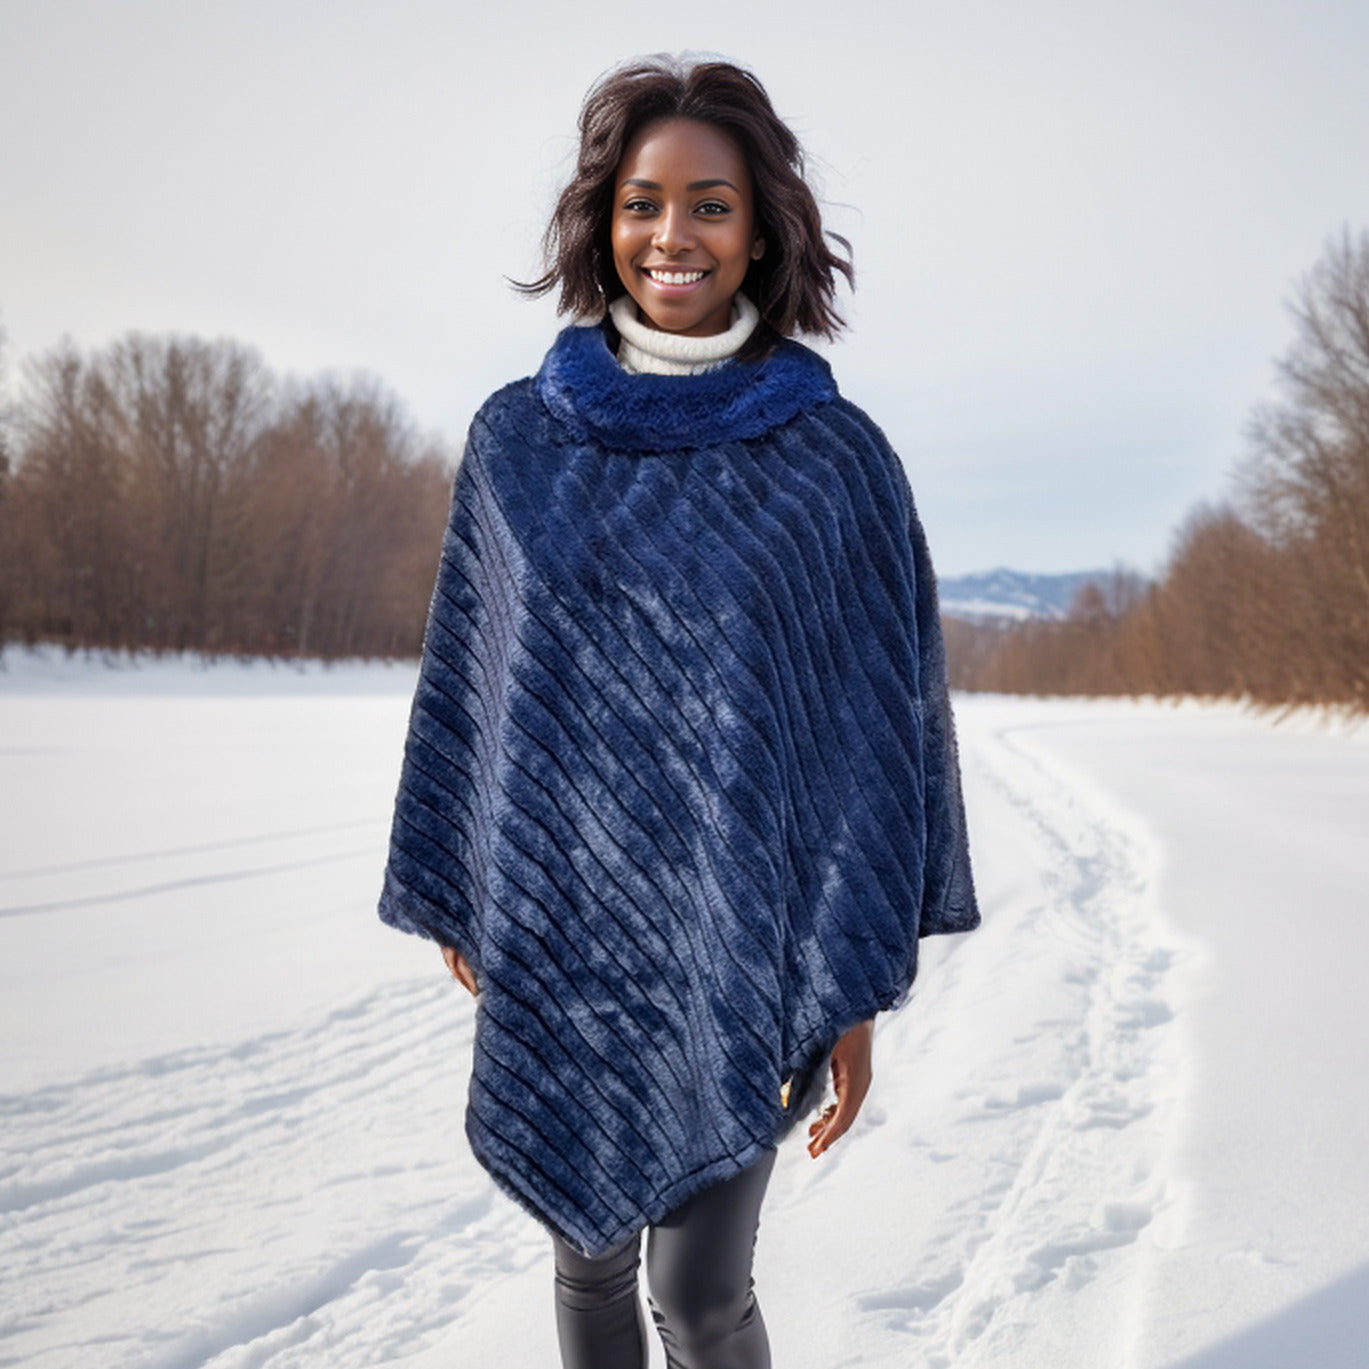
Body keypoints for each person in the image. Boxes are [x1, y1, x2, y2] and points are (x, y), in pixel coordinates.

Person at [377, 55, 979, 1369]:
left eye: (709, 204)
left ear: (760, 226)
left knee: (698, 1297)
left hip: (747, 947)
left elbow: (875, 747)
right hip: (569, 944)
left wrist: (851, 990)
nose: (673, 234)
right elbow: (471, 685)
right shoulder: (516, 442)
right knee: (586, 1275)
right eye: (643, 202)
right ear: (602, 219)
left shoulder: (830, 463)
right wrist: (474, 879)